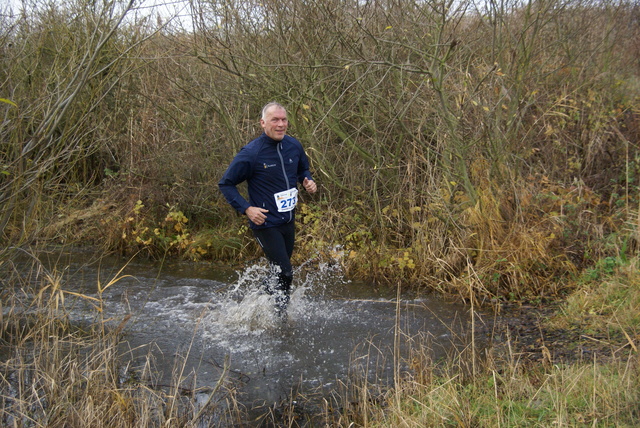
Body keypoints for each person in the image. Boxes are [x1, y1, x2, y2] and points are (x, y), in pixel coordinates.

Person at [218, 102, 317, 315]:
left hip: (287, 221)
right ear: (263, 123)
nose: (281, 124)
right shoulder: (252, 153)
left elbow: (303, 170)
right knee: (286, 272)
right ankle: (280, 317)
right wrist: (246, 209)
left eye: (284, 120)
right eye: (275, 120)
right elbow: (226, 184)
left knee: (278, 271)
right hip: (264, 223)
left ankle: (254, 306)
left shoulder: (294, 146)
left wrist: (307, 180)